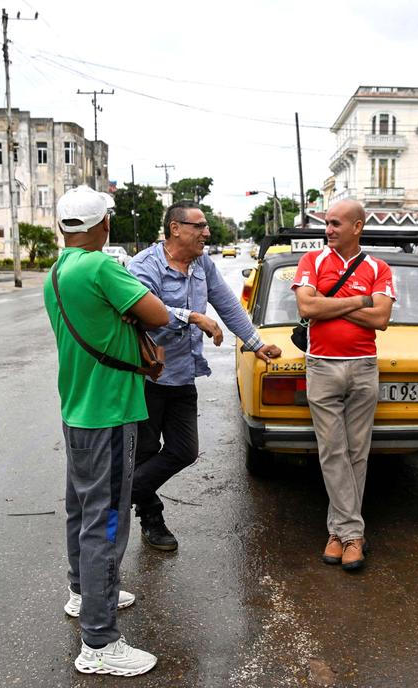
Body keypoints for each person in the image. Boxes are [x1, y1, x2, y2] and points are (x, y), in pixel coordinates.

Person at [43, 185, 169, 676]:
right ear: (104, 226)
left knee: (81, 508)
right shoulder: (100, 267)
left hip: (78, 410)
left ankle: (83, 593)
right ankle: (98, 643)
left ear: (61, 227)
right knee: (107, 522)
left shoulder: (55, 273)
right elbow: (156, 314)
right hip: (110, 413)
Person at [127, 201, 281, 551]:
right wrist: (193, 316)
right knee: (147, 452)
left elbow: (227, 305)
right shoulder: (144, 265)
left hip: (182, 375)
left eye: (206, 226)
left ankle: (118, 495)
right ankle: (151, 518)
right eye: (199, 226)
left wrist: (256, 344)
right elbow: (142, 309)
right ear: (175, 228)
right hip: (146, 377)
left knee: (184, 451)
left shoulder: (202, 264)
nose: (206, 232)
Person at [293, 199, 395, 572]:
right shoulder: (312, 262)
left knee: (357, 453)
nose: (329, 229)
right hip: (322, 366)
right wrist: (359, 301)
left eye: (337, 223)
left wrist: (330, 301)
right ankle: (353, 535)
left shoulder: (378, 267)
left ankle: (337, 533)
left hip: (364, 367)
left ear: (357, 227)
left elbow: (381, 318)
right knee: (332, 451)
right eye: (327, 223)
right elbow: (307, 309)